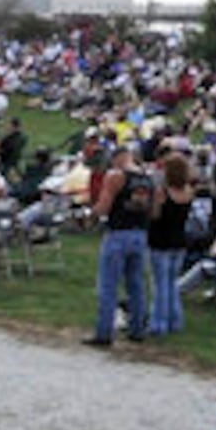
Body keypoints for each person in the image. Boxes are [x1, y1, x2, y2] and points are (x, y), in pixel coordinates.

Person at [84, 147, 154, 346]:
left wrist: (90, 214)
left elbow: (104, 207)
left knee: (108, 285)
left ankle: (104, 332)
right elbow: (154, 209)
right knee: (136, 284)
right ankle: (137, 329)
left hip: (118, 233)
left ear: (116, 159)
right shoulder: (147, 177)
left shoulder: (116, 176)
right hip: (140, 233)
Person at [147, 153, 195, 336]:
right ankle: (175, 320)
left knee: (159, 285)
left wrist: (155, 204)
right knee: (171, 283)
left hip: (160, 240)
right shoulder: (188, 192)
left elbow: (155, 216)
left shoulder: (163, 192)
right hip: (179, 240)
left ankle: (158, 323)